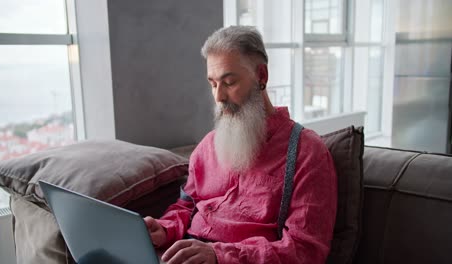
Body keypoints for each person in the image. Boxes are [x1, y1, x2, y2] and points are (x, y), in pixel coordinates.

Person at [144, 26, 337, 264]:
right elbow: (187, 205)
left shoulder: (307, 153)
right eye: (213, 84)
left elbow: (306, 250)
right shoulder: (207, 146)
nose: (218, 97)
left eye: (229, 82)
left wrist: (218, 256)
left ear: (261, 76)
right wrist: (164, 229)